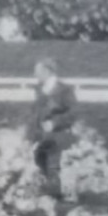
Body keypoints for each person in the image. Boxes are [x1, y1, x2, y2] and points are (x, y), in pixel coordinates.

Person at [28, 58, 77, 200]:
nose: (35, 75)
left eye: (37, 71)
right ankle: (46, 199)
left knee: (54, 169)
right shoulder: (38, 90)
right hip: (41, 138)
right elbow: (35, 115)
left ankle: (56, 199)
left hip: (57, 138)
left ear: (47, 71)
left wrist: (55, 123)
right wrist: (31, 135)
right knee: (40, 168)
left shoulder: (65, 89)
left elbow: (73, 113)